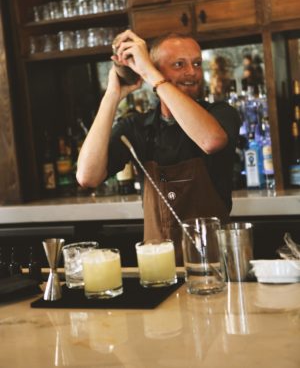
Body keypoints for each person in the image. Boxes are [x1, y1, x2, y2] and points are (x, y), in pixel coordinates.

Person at [76, 30, 240, 263]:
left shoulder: (220, 114)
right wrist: (112, 95)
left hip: (213, 263)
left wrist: (150, 73)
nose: (192, 72)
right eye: (179, 64)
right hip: (158, 265)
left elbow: (210, 141)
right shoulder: (137, 127)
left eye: (196, 63)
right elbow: (87, 176)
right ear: (155, 69)